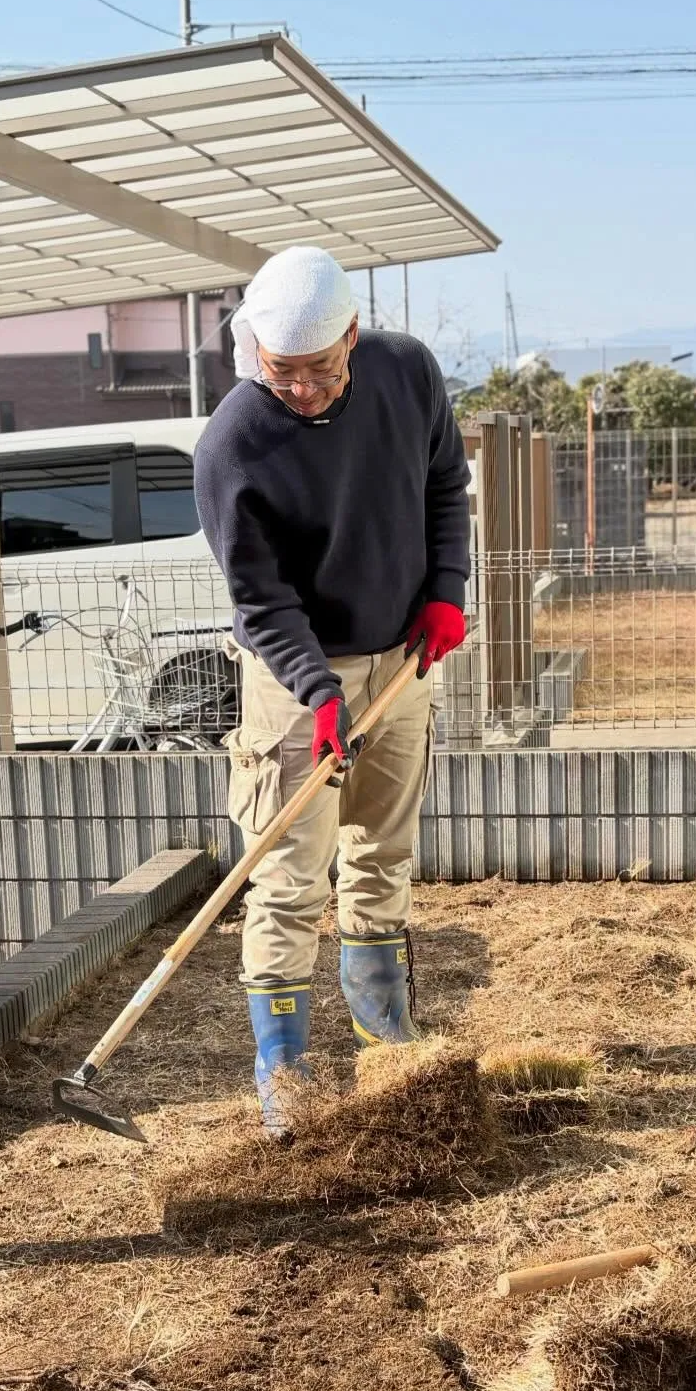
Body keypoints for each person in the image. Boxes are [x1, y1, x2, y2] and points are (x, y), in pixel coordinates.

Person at [194, 245, 470, 1127]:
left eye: (318, 370)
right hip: (292, 676)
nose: (302, 390)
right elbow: (261, 601)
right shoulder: (234, 443)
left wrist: (444, 595)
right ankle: (287, 1078)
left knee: (384, 855)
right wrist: (317, 694)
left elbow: (443, 487)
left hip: (401, 659)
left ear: (353, 337)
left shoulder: (407, 374)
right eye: (283, 373)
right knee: (288, 878)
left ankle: (385, 1038)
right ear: (254, 351)